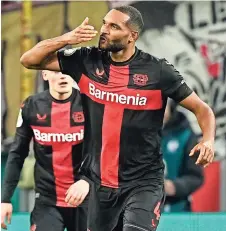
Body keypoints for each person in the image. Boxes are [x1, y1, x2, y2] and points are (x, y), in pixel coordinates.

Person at [20, 5, 215, 231]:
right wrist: (67, 38)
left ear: (132, 36)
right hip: (100, 184)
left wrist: (208, 139)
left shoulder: (158, 71)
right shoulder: (86, 61)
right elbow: (29, 60)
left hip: (143, 182)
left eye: (114, 26)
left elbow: (203, 110)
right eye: (104, 23)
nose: (105, 30)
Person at [1, 71, 88, 231]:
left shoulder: (89, 104)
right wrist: (5, 199)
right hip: (47, 201)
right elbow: (17, 154)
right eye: (56, 71)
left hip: (86, 199)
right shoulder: (31, 106)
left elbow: (104, 152)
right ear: (45, 75)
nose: (63, 75)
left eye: (67, 69)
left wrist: (88, 182)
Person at [162, 101, 204, 212]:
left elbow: (196, 177)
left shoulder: (186, 136)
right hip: (140, 213)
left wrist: (173, 187)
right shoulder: (137, 135)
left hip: (177, 210)